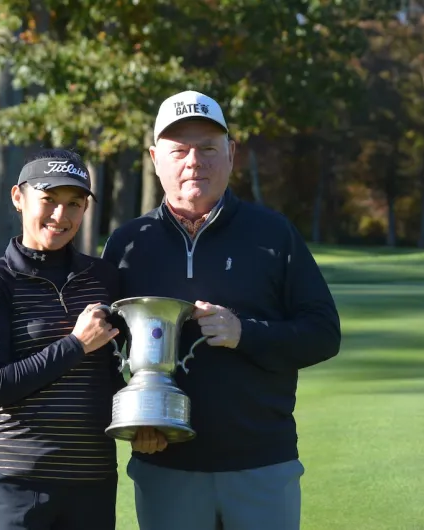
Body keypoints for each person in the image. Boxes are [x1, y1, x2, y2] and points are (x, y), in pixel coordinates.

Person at [101, 90, 342, 530]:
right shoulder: (127, 245)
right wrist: (135, 425)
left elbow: (323, 332)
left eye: (208, 148)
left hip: (261, 465)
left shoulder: (273, 235)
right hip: (166, 468)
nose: (194, 162)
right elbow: (105, 351)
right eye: (179, 151)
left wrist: (243, 333)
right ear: (156, 158)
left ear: (231, 154)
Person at [0, 148, 126, 530]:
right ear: (18, 198)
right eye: (48, 200)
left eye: (74, 204)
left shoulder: (104, 279)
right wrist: (76, 344)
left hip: (92, 478)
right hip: (15, 480)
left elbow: (115, 373)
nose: (60, 216)